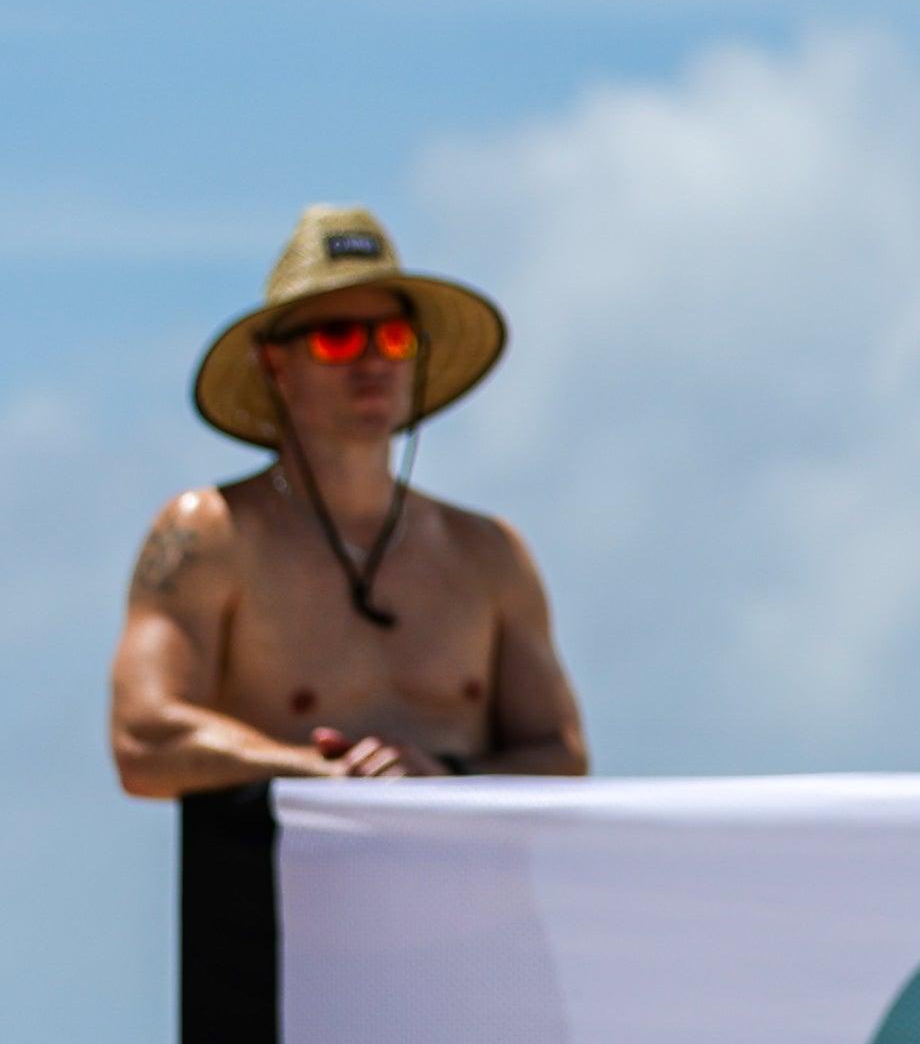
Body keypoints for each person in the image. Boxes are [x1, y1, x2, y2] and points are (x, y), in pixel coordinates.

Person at [112, 207, 590, 792]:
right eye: (337, 338)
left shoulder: (488, 553)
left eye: (393, 338)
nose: (372, 361)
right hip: (273, 880)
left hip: (452, 881)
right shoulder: (212, 534)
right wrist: (320, 774)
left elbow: (562, 756)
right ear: (275, 363)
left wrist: (444, 777)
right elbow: (142, 738)